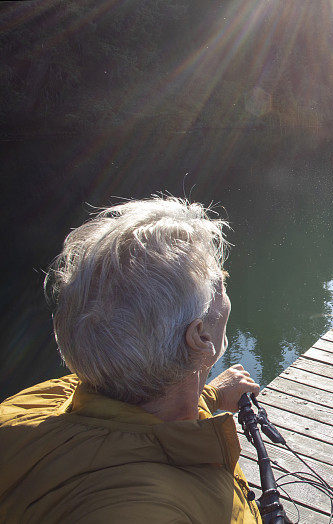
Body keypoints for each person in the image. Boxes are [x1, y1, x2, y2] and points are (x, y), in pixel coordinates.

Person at [0, 197, 263, 523]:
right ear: (199, 339)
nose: (227, 293)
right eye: (220, 284)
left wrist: (209, 394)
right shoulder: (144, 510)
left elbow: (144, 418)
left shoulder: (40, 401)